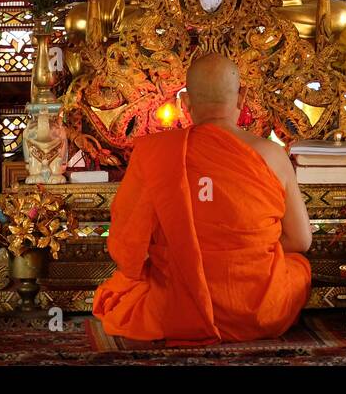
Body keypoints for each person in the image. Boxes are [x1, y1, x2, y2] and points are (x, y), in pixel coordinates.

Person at [92, 53, 312, 344]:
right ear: (241, 97)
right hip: (259, 309)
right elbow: (301, 241)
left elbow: (127, 248)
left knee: (128, 290)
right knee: (298, 268)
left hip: (178, 303)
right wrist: (247, 249)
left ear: (185, 104)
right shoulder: (272, 155)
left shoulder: (154, 153)